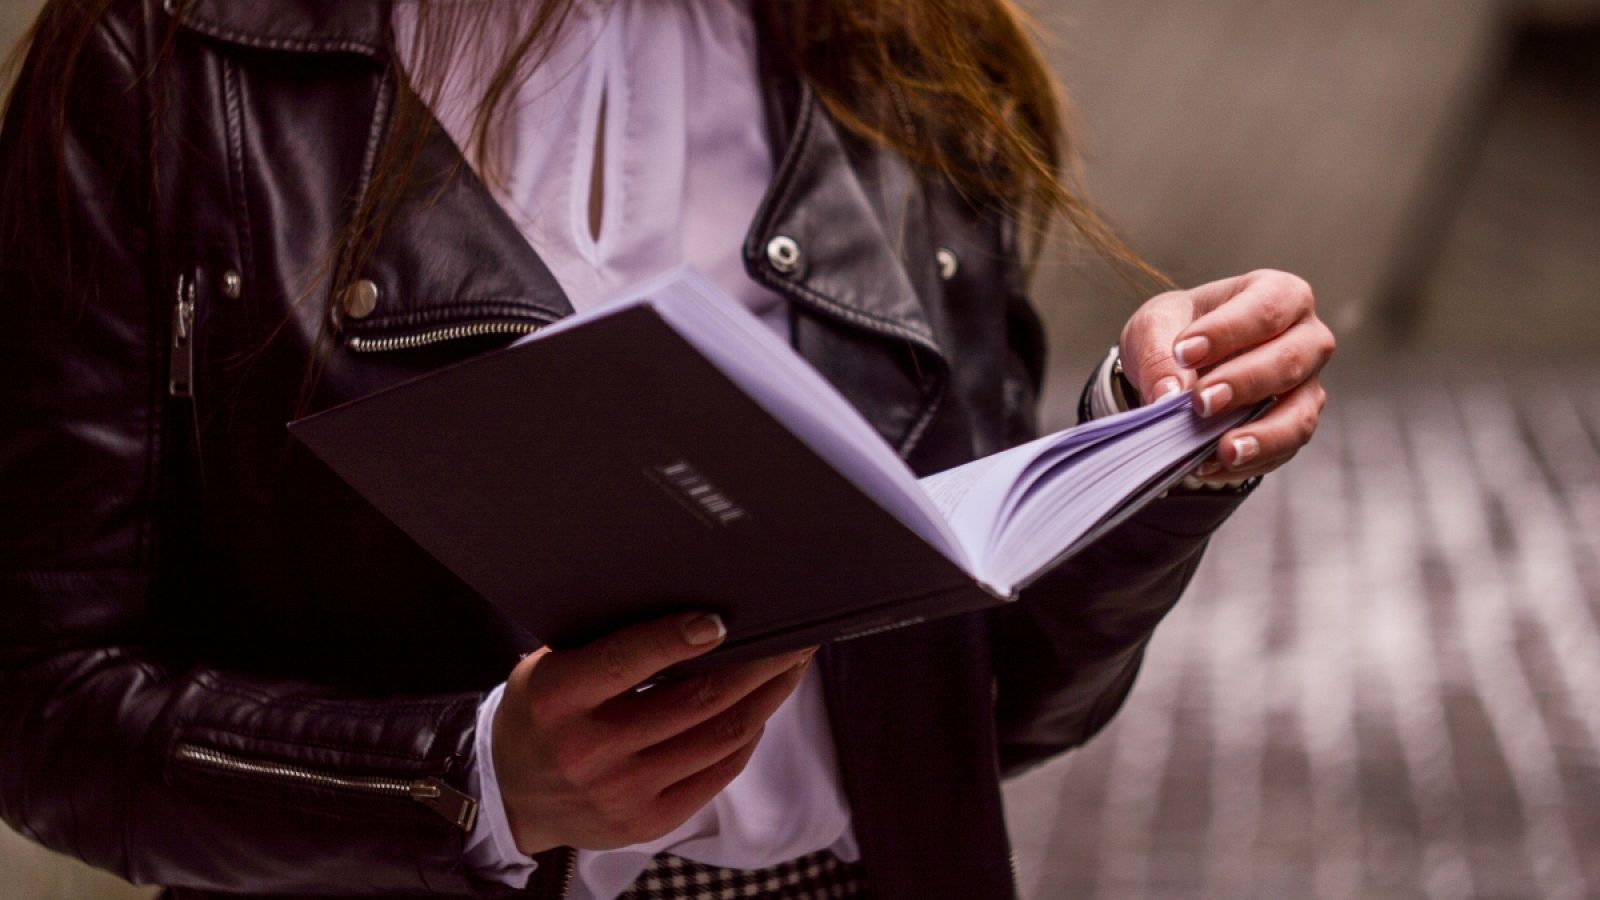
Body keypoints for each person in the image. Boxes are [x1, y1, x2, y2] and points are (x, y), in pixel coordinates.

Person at [0, 1, 1334, 898]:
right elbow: (41, 703)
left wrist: (1153, 447)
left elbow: (988, 705)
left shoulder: (905, 45)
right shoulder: (174, 51)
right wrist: (466, 779)